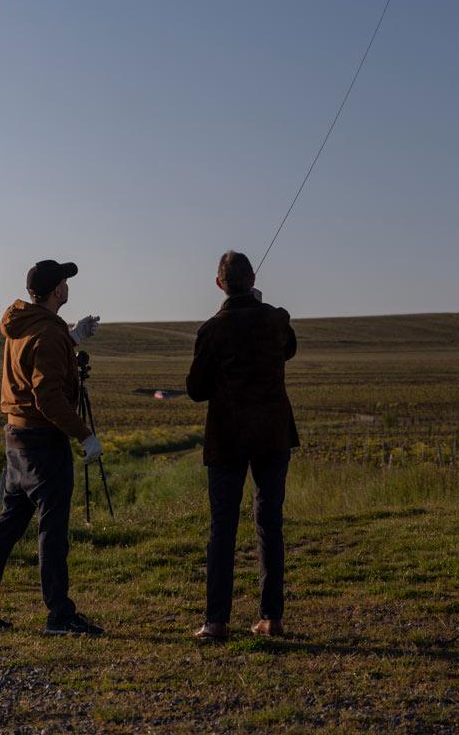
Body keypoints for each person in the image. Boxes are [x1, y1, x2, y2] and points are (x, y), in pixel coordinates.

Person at [0, 259, 105, 636]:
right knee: (52, 529)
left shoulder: (20, 324)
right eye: (65, 282)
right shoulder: (49, 334)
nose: (68, 287)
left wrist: (72, 337)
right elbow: (49, 397)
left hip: (16, 437)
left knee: (7, 525)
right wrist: (84, 434)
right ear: (58, 291)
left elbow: (32, 359)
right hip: (44, 441)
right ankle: (59, 614)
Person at [186, 251, 299, 641]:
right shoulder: (276, 319)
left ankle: (216, 621)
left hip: (228, 436)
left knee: (223, 527)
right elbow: (289, 349)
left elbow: (195, 390)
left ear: (219, 284)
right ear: (253, 279)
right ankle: (272, 617)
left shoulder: (212, 330)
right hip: (273, 434)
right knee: (270, 523)